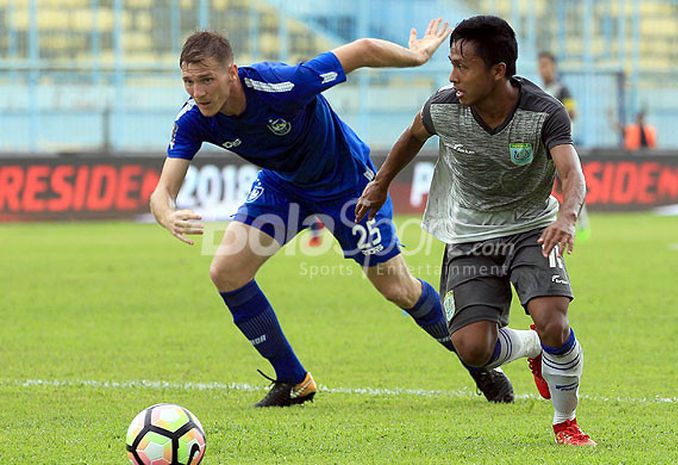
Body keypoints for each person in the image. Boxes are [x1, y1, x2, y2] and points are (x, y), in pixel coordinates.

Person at [150, 19, 515, 408]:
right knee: (226, 272)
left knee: (398, 289)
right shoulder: (193, 118)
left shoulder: (285, 85)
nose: (197, 92)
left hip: (346, 185)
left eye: (206, 80)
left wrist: (417, 55)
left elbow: (360, 51)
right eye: (188, 82)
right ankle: (294, 380)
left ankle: (479, 365)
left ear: (231, 73)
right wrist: (167, 213)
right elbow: (162, 191)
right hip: (284, 186)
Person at [356, 16, 596, 446]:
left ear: (498, 70)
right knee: (472, 347)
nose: (453, 76)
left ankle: (567, 423)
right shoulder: (445, 107)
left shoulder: (544, 114)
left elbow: (571, 174)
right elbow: (412, 137)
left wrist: (567, 216)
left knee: (553, 320)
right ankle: (532, 348)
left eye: (462, 66)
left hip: (533, 228)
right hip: (469, 233)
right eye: (451, 64)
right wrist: (380, 184)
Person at [538, 51, 591, 241]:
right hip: (543, 146)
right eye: (540, 65)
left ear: (553, 67)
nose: (542, 69)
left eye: (545, 65)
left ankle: (581, 224)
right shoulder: (540, 90)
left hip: (560, 145)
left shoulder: (562, 90)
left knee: (570, 184)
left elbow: (573, 113)